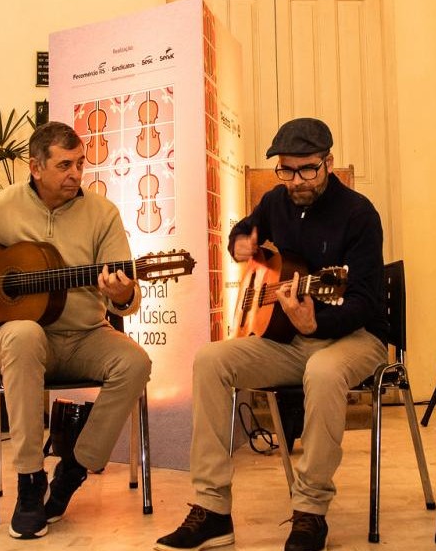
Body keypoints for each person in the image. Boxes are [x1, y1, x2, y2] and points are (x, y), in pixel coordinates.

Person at [156, 117, 388, 551]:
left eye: (307, 170)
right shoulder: (275, 202)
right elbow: (242, 235)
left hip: (354, 336)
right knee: (211, 359)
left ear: (328, 163)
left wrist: (317, 323)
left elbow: (365, 302)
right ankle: (212, 509)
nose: (296, 180)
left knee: (322, 370)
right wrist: (240, 244)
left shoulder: (359, 214)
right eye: (287, 170)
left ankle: (310, 512)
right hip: (289, 339)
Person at [0, 121, 150, 541]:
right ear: (35, 167)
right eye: (64, 165)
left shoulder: (102, 214)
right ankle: (29, 481)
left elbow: (125, 297)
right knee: (23, 334)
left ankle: (75, 466)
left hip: (83, 335)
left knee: (134, 361)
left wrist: (123, 292)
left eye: (80, 163)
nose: (76, 174)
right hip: (17, 336)